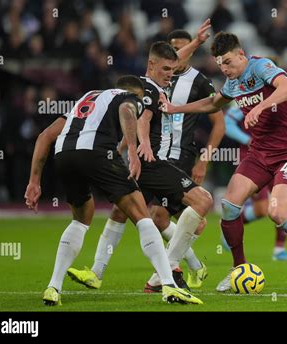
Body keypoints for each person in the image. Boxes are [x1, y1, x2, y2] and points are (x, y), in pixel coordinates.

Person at [160, 32, 287, 292]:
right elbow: (212, 103)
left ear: (241, 54)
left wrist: (259, 107)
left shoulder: (260, 66)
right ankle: (238, 268)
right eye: (221, 64)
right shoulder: (232, 83)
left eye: (229, 62)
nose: (225, 69)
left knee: (277, 212)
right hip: (259, 153)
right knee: (230, 205)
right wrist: (175, 108)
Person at [24, 75, 202, 305]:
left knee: (81, 219)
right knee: (141, 215)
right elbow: (128, 110)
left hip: (64, 156)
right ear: (138, 93)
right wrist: (132, 151)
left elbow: (45, 136)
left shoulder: (86, 98)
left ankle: (53, 287)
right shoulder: (129, 97)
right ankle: (169, 285)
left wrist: (34, 181)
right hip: (98, 153)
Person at [67, 36, 214, 293]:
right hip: (150, 164)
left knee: (121, 213)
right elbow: (144, 118)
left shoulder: (146, 84)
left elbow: (132, 117)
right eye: (166, 69)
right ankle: (169, 268)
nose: (171, 74)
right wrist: (141, 146)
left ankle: (96, 273)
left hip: (141, 162)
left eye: (173, 69)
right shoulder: (149, 88)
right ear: (151, 64)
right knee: (202, 202)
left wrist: (197, 42)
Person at [146, 29, 225, 289]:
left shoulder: (199, 81)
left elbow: (219, 124)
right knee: (156, 217)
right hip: (155, 157)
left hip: (181, 158)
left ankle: (167, 273)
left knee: (154, 215)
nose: (181, 55)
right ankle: (189, 265)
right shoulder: (159, 81)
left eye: (186, 49)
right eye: (175, 49)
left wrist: (204, 159)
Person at [222, 104, 287, 262]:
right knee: (261, 210)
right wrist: (247, 139)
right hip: (254, 158)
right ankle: (228, 226)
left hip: (278, 155)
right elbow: (227, 124)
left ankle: (279, 249)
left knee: (285, 203)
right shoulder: (247, 98)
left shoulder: (277, 98)